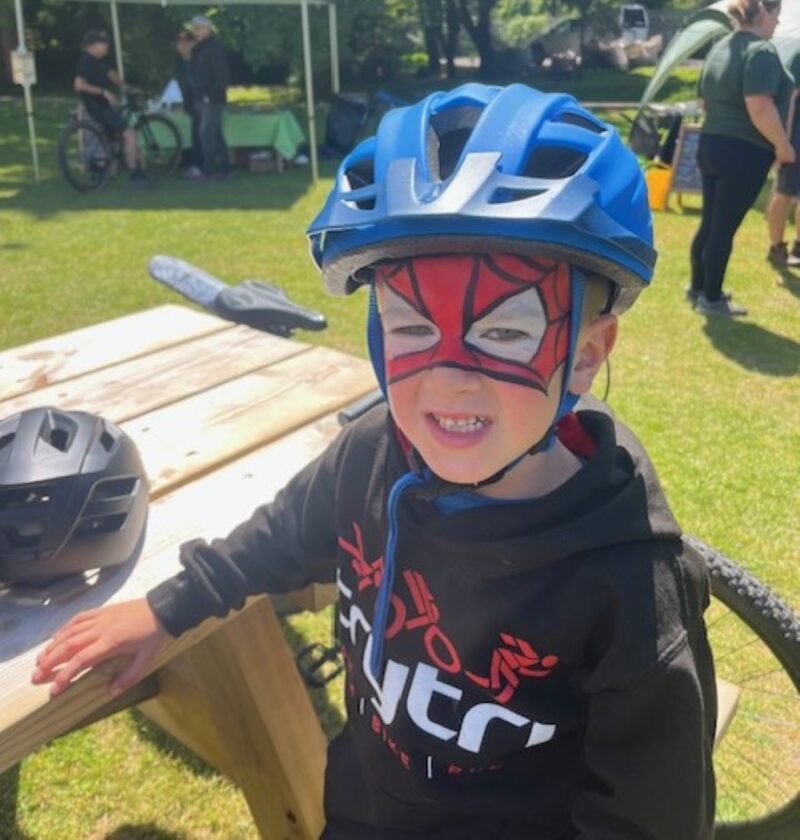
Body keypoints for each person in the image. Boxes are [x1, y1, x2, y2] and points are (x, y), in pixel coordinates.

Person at [32, 84, 717, 839]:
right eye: (411, 325)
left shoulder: (628, 585)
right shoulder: (373, 454)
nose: (449, 377)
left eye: (505, 334)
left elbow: (650, 816)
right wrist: (168, 609)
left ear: (584, 354)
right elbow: (281, 535)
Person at [689, 0, 795, 317]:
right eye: (776, 16)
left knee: (710, 222)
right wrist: (782, 146)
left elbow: (703, 100)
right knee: (723, 228)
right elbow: (760, 105)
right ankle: (712, 298)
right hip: (743, 151)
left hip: (711, 143)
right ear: (762, 14)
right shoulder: (760, 52)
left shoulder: (720, 47)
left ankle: (699, 287)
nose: (777, 24)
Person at [74, 28, 148, 186]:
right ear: (93, 45)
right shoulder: (86, 61)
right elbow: (79, 85)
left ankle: (106, 164)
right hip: (97, 108)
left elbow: (110, 74)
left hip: (103, 107)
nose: (107, 46)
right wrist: (103, 92)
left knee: (115, 135)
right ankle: (135, 173)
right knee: (130, 134)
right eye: (103, 43)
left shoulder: (98, 61)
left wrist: (126, 87)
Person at [766, 45, 800, 267]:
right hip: (796, 138)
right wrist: (784, 140)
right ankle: (776, 247)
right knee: (784, 192)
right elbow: (790, 99)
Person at [189, 14, 230, 180]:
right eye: (196, 28)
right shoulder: (200, 48)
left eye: (199, 28)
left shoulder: (215, 48)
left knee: (206, 134)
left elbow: (221, 76)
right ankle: (225, 169)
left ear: (207, 29)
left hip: (212, 99)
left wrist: (209, 95)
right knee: (215, 134)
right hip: (202, 98)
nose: (197, 31)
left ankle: (208, 171)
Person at [173, 29, 203, 178]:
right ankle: (190, 163)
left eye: (186, 43)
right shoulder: (179, 63)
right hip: (190, 102)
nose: (183, 46)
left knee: (199, 134)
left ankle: (199, 166)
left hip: (202, 101)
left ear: (192, 44)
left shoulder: (200, 60)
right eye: (180, 43)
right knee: (192, 132)